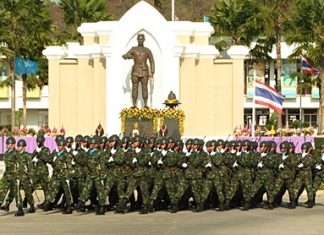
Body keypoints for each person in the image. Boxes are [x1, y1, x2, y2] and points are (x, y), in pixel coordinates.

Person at [122, 34, 155, 108]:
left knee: (145, 88)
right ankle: (134, 105)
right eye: (139, 39)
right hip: (135, 70)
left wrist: (152, 72)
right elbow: (126, 55)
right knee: (135, 87)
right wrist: (127, 56)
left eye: (141, 39)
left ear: (144, 40)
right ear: (137, 40)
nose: (140, 40)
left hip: (144, 71)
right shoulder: (133, 49)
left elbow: (152, 61)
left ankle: (146, 105)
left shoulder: (147, 50)